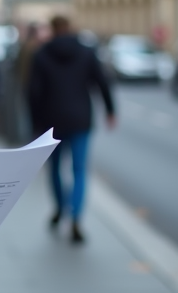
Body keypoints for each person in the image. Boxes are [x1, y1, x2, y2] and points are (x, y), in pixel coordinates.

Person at [27, 16, 115, 244]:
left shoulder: (42, 54)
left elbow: (33, 92)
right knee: (79, 170)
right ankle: (76, 216)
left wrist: (35, 123)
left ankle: (60, 207)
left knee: (55, 169)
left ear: (53, 30)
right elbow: (101, 82)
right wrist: (110, 110)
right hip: (80, 119)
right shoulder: (86, 52)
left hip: (51, 122)